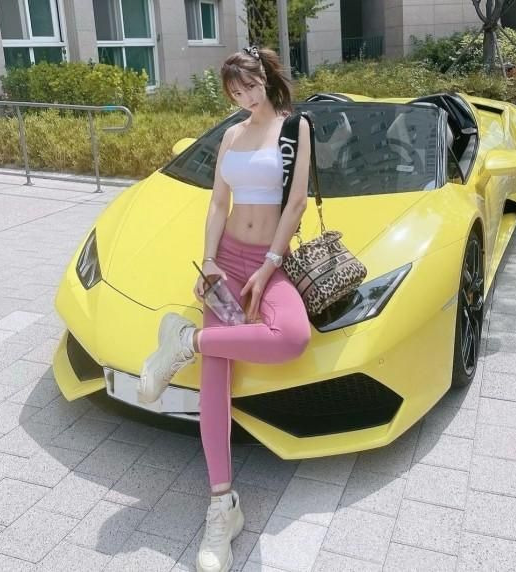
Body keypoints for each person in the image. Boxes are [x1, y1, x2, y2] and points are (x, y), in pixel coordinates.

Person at [138, 46, 312, 572]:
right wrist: (210, 261)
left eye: (250, 86)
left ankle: (184, 341)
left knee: (293, 336)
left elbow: (296, 203)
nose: (245, 98)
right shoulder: (232, 135)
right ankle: (221, 506)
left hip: (269, 261)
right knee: (217, 375)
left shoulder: (294, 128)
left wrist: (270, 265)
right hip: (228, 259)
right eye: (235, 92)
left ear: (268, 77)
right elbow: (218, 202)